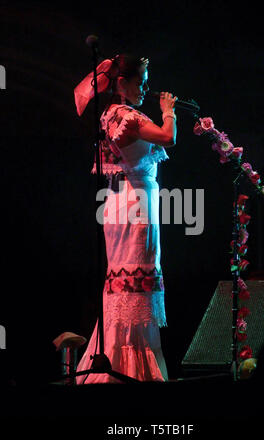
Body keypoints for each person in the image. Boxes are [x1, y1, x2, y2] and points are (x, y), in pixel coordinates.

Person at [73, 53, 177, 383]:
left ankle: (119, 353)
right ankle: (131, 367)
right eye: (140, 83)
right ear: (122, 82)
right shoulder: (128, 117)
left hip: (118, 202)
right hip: (135, 202)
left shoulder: (109, 115)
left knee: (122, 276)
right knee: (137, 272)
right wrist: (169, 112)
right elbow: (167, 137)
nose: (145, 89)